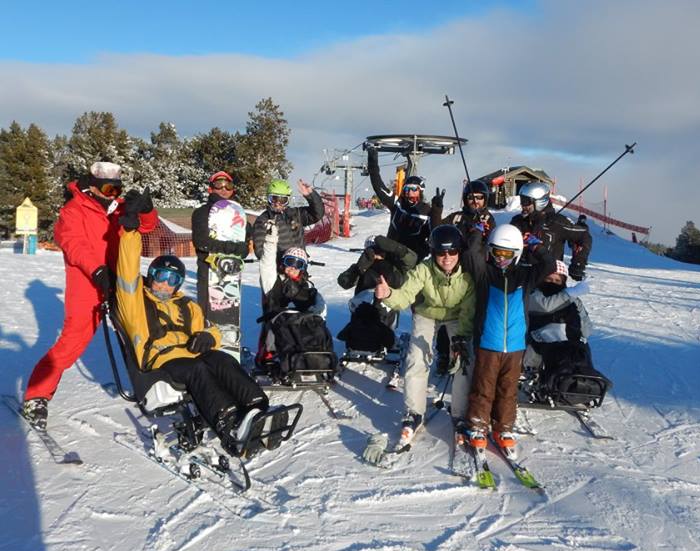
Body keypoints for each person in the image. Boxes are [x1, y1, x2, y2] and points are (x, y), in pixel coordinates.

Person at [115, 224, 290, 456]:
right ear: (151, 277)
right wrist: (130, 233)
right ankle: (228, 424)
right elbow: (126, 274)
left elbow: (210, 330)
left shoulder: (187, 305)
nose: (165, 284)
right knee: (197, 368)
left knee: (222, 359)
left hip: (190, 354)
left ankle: (257, 409)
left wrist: (208, 337)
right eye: (161, 276)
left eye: (173, 279)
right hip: (160, 361)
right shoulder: (135, 303)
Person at [21, 162, 158, 430]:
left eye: (117, 188)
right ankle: (37, 395)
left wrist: (146, 209)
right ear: (92, 184)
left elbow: (146, 227)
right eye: (107, 187)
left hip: (123, 278)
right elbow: (73, 243)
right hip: (88, 284)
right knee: (73, 341)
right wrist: (96, 271)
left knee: (141, 331)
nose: (112, 193)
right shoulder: (74, 210)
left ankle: (151, 384)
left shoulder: (118, 208)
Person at [374, 225, 476, 448]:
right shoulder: (424, 269)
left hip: (456, 315)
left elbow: (469, 309)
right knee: (416, 359)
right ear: (433, 252)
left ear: (459, 251)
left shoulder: (467, 275)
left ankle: (459, 413)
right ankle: (414, 411)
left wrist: (461, 337)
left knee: (463, 361)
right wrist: (389, 294)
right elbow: (405, 295)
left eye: (451, 252)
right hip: (427, 313)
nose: (446, 258)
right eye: (441, 252)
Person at [457, 224, 555, 458]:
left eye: (507, 255)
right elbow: (471, 255)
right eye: (497, 253)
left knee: (508, 390)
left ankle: (503, 428)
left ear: (517, 255)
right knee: (483, 387)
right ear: (490, 251)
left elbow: (549, 265)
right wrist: (478, 233)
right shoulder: (484, 274)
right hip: (488, 343)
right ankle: (478, 426)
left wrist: (536, 246)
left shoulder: (524, 276)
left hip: (515, 345)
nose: (501, 259)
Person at [523, 260, 610, 406]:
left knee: (580, 349)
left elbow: (586, 325)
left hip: (569, 340)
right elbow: (545, 307)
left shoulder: (573, 300)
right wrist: (570, 293)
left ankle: (582, 379)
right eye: (549, 279)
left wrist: (580, 333)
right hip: (541, 340)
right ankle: (542, 381)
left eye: (557, 280)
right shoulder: (534, 295)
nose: (553, 282)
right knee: (549, 353)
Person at [337, 235, 417, 353]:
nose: (377, 255)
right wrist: (358, 269)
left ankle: (384, 336)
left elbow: (411, 260)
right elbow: (344, 282)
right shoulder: (362, 266)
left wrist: (397, 249)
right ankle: (359, 336)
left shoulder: (394, 266)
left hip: (385, 303)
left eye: (379, 251)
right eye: (372, 251)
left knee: (384, 310)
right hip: (362, 305)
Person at [191, 170, 251, 315]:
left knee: (227, 313)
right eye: (219, 185)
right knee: (208, 313)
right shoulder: (202, 212)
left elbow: (245, 239)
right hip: (209, 270)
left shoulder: (238, 213)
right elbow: (201, 241)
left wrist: (243, 250)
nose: (224, 189)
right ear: (210, 189)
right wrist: (232, 248)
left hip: (232, 271)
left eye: (228, 185)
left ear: (233, 190)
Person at [366, 145, 440, 260]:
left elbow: (436, 233)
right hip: (391, 255)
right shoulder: (398, 204)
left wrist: (437, 211)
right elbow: (378, 186)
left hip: (410, 259)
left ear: (420, 191)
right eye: (407, 189)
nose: (410, 192)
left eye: (414, 189)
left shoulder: (426, 212)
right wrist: (372, 159)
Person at [510, 181, 591, 281]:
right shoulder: (517, 221)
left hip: (548, 281)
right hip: (521, 280)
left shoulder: (557, 223)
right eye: (521, 200)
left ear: (540, 201)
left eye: (526, 201)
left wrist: (578, 264)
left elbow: (583, 235)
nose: (523, 205)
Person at [252, 178, 324, 261]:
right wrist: (281, 262)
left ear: (288, 200)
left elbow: (317, 214)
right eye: (274, 199)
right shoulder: (263, 220)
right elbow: (259, 248)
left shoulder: (296, 214)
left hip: (298, 265)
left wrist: (311, 195)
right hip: (277, 268)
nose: (277, 203)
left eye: (282, 200)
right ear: (268, 199)